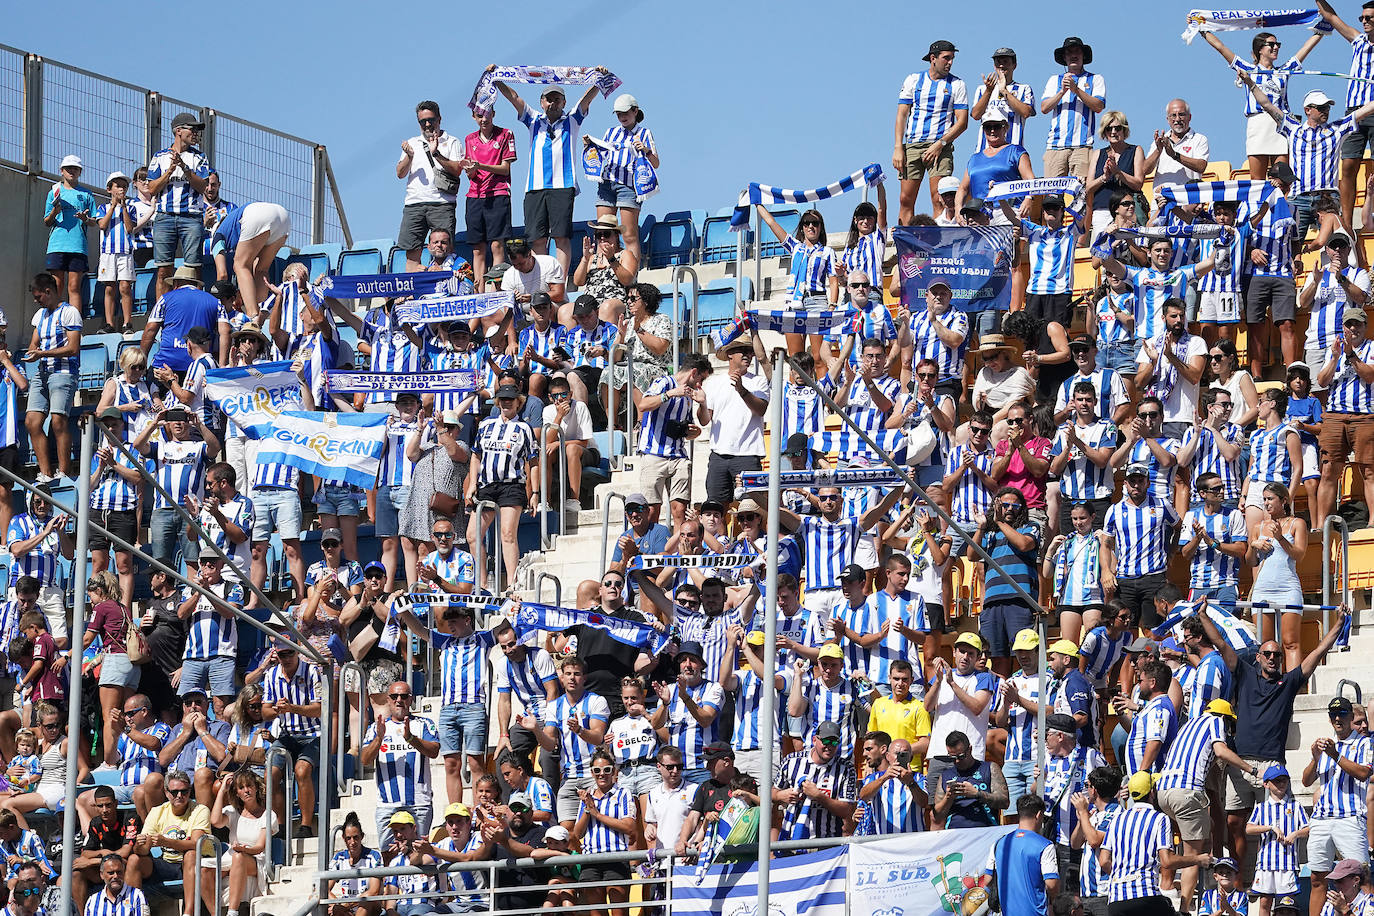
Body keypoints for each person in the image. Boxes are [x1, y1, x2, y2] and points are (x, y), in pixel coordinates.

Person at [1196, 605, 1350, 871]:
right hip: (1240, 763)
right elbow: (1220, 643)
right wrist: (1202, 616)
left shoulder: (1289, 683)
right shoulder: (1244, 673)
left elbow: (1318, 652)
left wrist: (1337, 624)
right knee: (1235, 822)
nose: (1272, 658)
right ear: (1258, 657)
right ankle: (1239, 877)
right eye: (1267, 653)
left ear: (1281, 659)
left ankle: (1277, 876)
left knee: (1282, 823)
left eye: (1277, 655)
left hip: (1272, 767)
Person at [489, 67, 609, 274]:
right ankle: (540, 279)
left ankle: (559, 281)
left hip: (563, 185)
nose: (553, 103)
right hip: (535, 186)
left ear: (563, 102)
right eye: (549, 99)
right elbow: (515, 97)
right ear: (542, 102)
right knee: (537, 238)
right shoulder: (534, 120)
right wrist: (497, 79)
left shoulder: (572, 120)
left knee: (561, 236)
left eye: (557, 99)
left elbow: (586, 100)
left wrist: (598, 78)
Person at [1155, 699, 1252, 912]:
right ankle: (1184, 909)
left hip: (1163, 791)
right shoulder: (1216, 720)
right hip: (1186, 792)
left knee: (1193, 838)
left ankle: (1177, 890)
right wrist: (1250, 769)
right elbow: (1220, 751)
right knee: (1193, 857)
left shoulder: (1187, 726)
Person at [1200, 28, 1324, 179]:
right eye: (1271, 44)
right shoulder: (1248, 69)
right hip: (1258, 124)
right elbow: (1221, 47)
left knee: (1283, 180)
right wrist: (1202, 29)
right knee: (1257, 182)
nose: (1276, 47)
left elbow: (1305, 48)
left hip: (1281, 124)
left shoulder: (1283, 70)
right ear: (1260, 49)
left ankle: (1281, 203)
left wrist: (1323, 29)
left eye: (1278, 44)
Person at [1101, 772, 1213, 916]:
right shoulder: (1159, 818)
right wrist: (1198, 859)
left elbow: (1104, 861)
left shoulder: (1117, 819)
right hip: (1146, 896)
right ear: (1152, 792)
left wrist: (1125, 877)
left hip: (1116, 900)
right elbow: (1167, 861)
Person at [1303, 696, 1373, 913]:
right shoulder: (1325, 744)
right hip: (1322, 818)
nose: (1337, 718)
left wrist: (1335, 754)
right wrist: (1316, 757)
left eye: (1342, 714)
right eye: (1333, 714)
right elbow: (1306, 781)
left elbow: (1364, 773)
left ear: (1351, 717)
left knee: (1361, 878)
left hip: (1350, 817)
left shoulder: (1364, 742)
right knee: (1317, 877)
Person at [893, 40, 968, 224]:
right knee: (905, 199)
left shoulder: (957, 84)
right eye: (946, 58)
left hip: (940, 146)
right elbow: (902, 115)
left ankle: (937, 246)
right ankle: (906, 245)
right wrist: (898, 147)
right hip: (913, 144)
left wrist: (940, 144)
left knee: (939, 198)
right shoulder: (913, 79)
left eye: (952, 59)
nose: (950, 62)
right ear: (933, 58)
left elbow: (962, 122)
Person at [362, 680, 439, 850]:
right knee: (388, 856)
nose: (399, 700)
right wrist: (379, 739)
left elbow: (434, 751)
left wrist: (410, 738)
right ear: (388, 700)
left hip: (419, 803)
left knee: (419, 854)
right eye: (394, 696)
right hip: (388, 805)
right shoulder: (377, 727)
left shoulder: (425, 724)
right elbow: (365, 760)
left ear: (410, 700)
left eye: (404, 696)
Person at [1317, 0, 1374, 228]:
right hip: (1355, 111)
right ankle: (1347, 225)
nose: (1364, 21)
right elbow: (1331, 16)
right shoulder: (1358, 40)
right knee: (1348, 166)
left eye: (1369, 17)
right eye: (1362, 18)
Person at [1316, 306, 1374, 528]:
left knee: (1369, 470)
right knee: (1329, 469)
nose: (1353, 328)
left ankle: (1372, 523)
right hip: (1335, 416)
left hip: (1365, 415)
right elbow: (1321, 381)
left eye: (1357, 324)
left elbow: (1370, 376)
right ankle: (1321, 525)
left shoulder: (1372, 347)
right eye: (1349, 324)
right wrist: (1335, 357)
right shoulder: (1333, 349)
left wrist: (1350, 355)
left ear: (1365, 327)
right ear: (1343, 327)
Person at [22, 272, 81, 482]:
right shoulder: (40, 316)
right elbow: (33, 344)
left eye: (39, 297)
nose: (37, 301)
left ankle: (64, 471)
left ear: (49, 291)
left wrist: (42, 353)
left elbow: (73, 348)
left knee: (58, 420)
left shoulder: (70, 313)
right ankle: (45, 472)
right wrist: (32, 354)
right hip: (42, 372)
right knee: (31, 421)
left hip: (63, 372)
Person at [260, 640, 322, 837]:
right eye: (282, 654)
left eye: (289, 653)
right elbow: (264, 711)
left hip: (313, 733)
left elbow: (319, 709)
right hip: (287, 734)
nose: (286, 658)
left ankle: (305, 825)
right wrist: (276, 711)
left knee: (301, 770)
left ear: (297, 652)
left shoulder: (311, 672)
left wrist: (292, 708)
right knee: (270, 773)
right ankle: (281, 824)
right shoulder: (271, 675)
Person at [976, 486, 1041, 675]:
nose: (1010, 508)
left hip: (1019, 600)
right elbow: (972, 555)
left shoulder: (1030, 527)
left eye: (1015, 505)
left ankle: (1025, 699)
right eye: (1005, 505)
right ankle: (1002, 700)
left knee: (1024, 653)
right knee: (996, 657)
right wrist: (982, 526)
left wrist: (999, 522)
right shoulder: (989, 534)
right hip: (992, 602)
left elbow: (1024, 544)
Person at [147, 112, 212, 298]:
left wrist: (184, 168)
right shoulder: (159, 156)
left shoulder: (199, 157)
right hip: (164, 217)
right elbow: (151, 188)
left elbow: (202, 186)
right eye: (192, 129)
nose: (195, 133)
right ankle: (162, 313)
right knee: (163, 270)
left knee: (193, 270)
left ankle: (195, 310)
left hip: (191, 217)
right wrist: (169, 171)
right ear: (178, 131)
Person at [699, 336, 769, 508]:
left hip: (748, 455)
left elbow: (761, 409)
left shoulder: (758, 381)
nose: (748, 355)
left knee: (752, 508)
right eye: (743, 351)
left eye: (750, 351)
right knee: (715, 510)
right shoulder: (714, 383)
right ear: (730, 354)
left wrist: (741, 390)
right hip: (719, 456)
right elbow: (704, 420)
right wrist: (701, 403)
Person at [1247, 484, 1308, 670]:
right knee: (1265, 646)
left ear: (1283, 500)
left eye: (1270, 499)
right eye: (1264, 499)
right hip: (1263, 589)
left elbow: (1299, 555)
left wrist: (1280, 538)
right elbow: (1250, 562)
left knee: (1290, 642)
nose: (1266, 503)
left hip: (1288, 588)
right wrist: (1253, 546)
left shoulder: (1297, 523)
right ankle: (1267, 689)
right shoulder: (1258, 527)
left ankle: (1293, 688)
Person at [395, 101, 461, 272]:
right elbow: (400, 173)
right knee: (412, 253)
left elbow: (457, 170)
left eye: (430, 119)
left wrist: (436, 153)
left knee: (444, 252)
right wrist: (409, 156)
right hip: (414, 203)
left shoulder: (452, 141)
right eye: (422, 121)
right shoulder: (412, 142)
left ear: (439, 119)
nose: (426, 124)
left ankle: (445, 292)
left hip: (442, 203)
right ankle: (411, 295)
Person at [593, 92, 657, 264]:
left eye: (625, 113)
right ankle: (601, 272)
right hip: (607, 183)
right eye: (619, 114)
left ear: (635, 111)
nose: (622, 117)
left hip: (629, 186)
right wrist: (590, 146)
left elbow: (656, 163)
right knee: (603, 232)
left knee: (629, 234)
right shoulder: (611, 132)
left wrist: (646, 150)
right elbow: (601, 154)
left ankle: (632, 277)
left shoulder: (644, 133)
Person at [129, 769, 210, 900]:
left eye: (184, 791)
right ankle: (133, 909)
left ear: (190, 791)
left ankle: (189, 912)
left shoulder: (200, 810)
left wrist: (166, 841)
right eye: (174, 792)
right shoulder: (157, 811)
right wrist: (139, 845)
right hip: (167, 863)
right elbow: (143, 850)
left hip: (192, 864)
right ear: (166, 793)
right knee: (134, 860)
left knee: (190, 855)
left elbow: (197, 844)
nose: (179, 795)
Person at [462, 104, 517, 288]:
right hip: (475, 196)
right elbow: (471, 173)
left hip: (498, 193)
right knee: (478, 248)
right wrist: (470, 170)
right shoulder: (469, 139)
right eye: (479, 115)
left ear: (493, 113)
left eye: (486, 114)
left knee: (496, 245)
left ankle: (497, 288)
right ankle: (479, 291)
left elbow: (505, 168)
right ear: (473, 117)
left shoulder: (505, 134)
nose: (483, 119)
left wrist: (480, 166)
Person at [773, 721, 857, 841]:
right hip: (792, 840)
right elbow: (772, 793)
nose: (829, 746)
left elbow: (846, 810)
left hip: (826, 842)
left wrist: (818, 796)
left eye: (834, 742)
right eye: (826, 741)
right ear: (814, 740)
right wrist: (781, 795)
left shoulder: (846, 769)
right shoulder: (792, 761)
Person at [207, 770, 274, 916]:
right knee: (202, 869)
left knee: (238, 857)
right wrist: (222, 791)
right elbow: (215, 821)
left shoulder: (268, 814)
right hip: (232, 856)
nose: (246, 790)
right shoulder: (233, 812)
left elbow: (259, 847)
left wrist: (243, 850)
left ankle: (232, 912)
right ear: (237, 793)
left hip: (256, 859)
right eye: (241, 788)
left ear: (256, 788)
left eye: (249, 786)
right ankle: (215, 913)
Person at [1300, 231, 1368, 372]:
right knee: (1318, 391)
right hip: (1317, 343)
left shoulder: (1359, 273)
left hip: (1347, 342)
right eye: (1333, 246)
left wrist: (1341, 278)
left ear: (1349, 249)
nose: (1337, 249)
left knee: (1344, 388)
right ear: (1327, 250)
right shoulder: (1317, 274)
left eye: (1342, 246)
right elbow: (1303, 302)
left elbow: (1361, 298)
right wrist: (1315, 282)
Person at [1042, 37, 1107, 182]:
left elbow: (1098, 106)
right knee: (1052, 197)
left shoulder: (1095, 79)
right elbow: (1044, 108)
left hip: (1083, 146)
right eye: (1069, 52)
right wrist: (1062, 91)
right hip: (1055, 146)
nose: (1073, 55)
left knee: (1081, 195)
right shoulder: (1054, 80)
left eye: (1077, 51)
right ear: (1064, 58)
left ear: (1083, 55)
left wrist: (1076, 89)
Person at [986, 795, 1061, 916]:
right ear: (1039, 814)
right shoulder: (1045, 845)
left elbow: (988, 880)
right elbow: (1051, 884)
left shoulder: (999, 843)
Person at [959, 111, 1034, 223]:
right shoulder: (975, 158)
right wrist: (958, 208)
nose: (992, 131)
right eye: (988, 127)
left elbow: (1030, 179)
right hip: (980, 216)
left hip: (1009, 212)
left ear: (1005, 128)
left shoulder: (1015, 151)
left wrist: (1029, 199)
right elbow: (963, 188)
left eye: (997, 126)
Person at [930, 729, 1008, 829]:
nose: (957, 761)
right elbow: (937, 816)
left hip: (985, 830)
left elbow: (1004, 802)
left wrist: (977, 794)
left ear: (970, 749)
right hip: (955, 832)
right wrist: (948, 798)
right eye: (952, 758)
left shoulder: (989, 768)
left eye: (961, 756)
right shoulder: (946, 775)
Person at [1142, 100, 1211, 198]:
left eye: (1182, 115)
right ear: (1167, 119)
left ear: (1189, 117)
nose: (1177, 119)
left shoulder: (1199, 139)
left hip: (1188, 201)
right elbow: (1145, 170)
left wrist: (1175, 155)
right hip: (1162, 201)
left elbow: (1201, 166)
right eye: (1173, 115)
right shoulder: (1160, 140)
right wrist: (1158, 150)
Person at [972, 47, 1037, 151]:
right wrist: (989, 91)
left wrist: (1004, 91)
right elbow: (976, 115)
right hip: (985, 150)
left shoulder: (1024, 88)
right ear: (994, 66)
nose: (1001, 65)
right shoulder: (982, 89)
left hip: (1013, 149)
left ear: (1014, 65)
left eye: (1005, 62)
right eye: (998, 62)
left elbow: (1026, 112)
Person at [327, 812, 384, 916]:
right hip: (347, 908)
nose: (352, 842)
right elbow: (324, 889)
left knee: (365, 903)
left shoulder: (374, 856)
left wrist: (346, 904)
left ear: (362, 836)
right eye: (348, 838)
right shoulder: (339, 857)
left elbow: (373, 892)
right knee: (318, 901)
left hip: (369, 908)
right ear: (344, 838)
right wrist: (337, 904)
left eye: (356, 837)